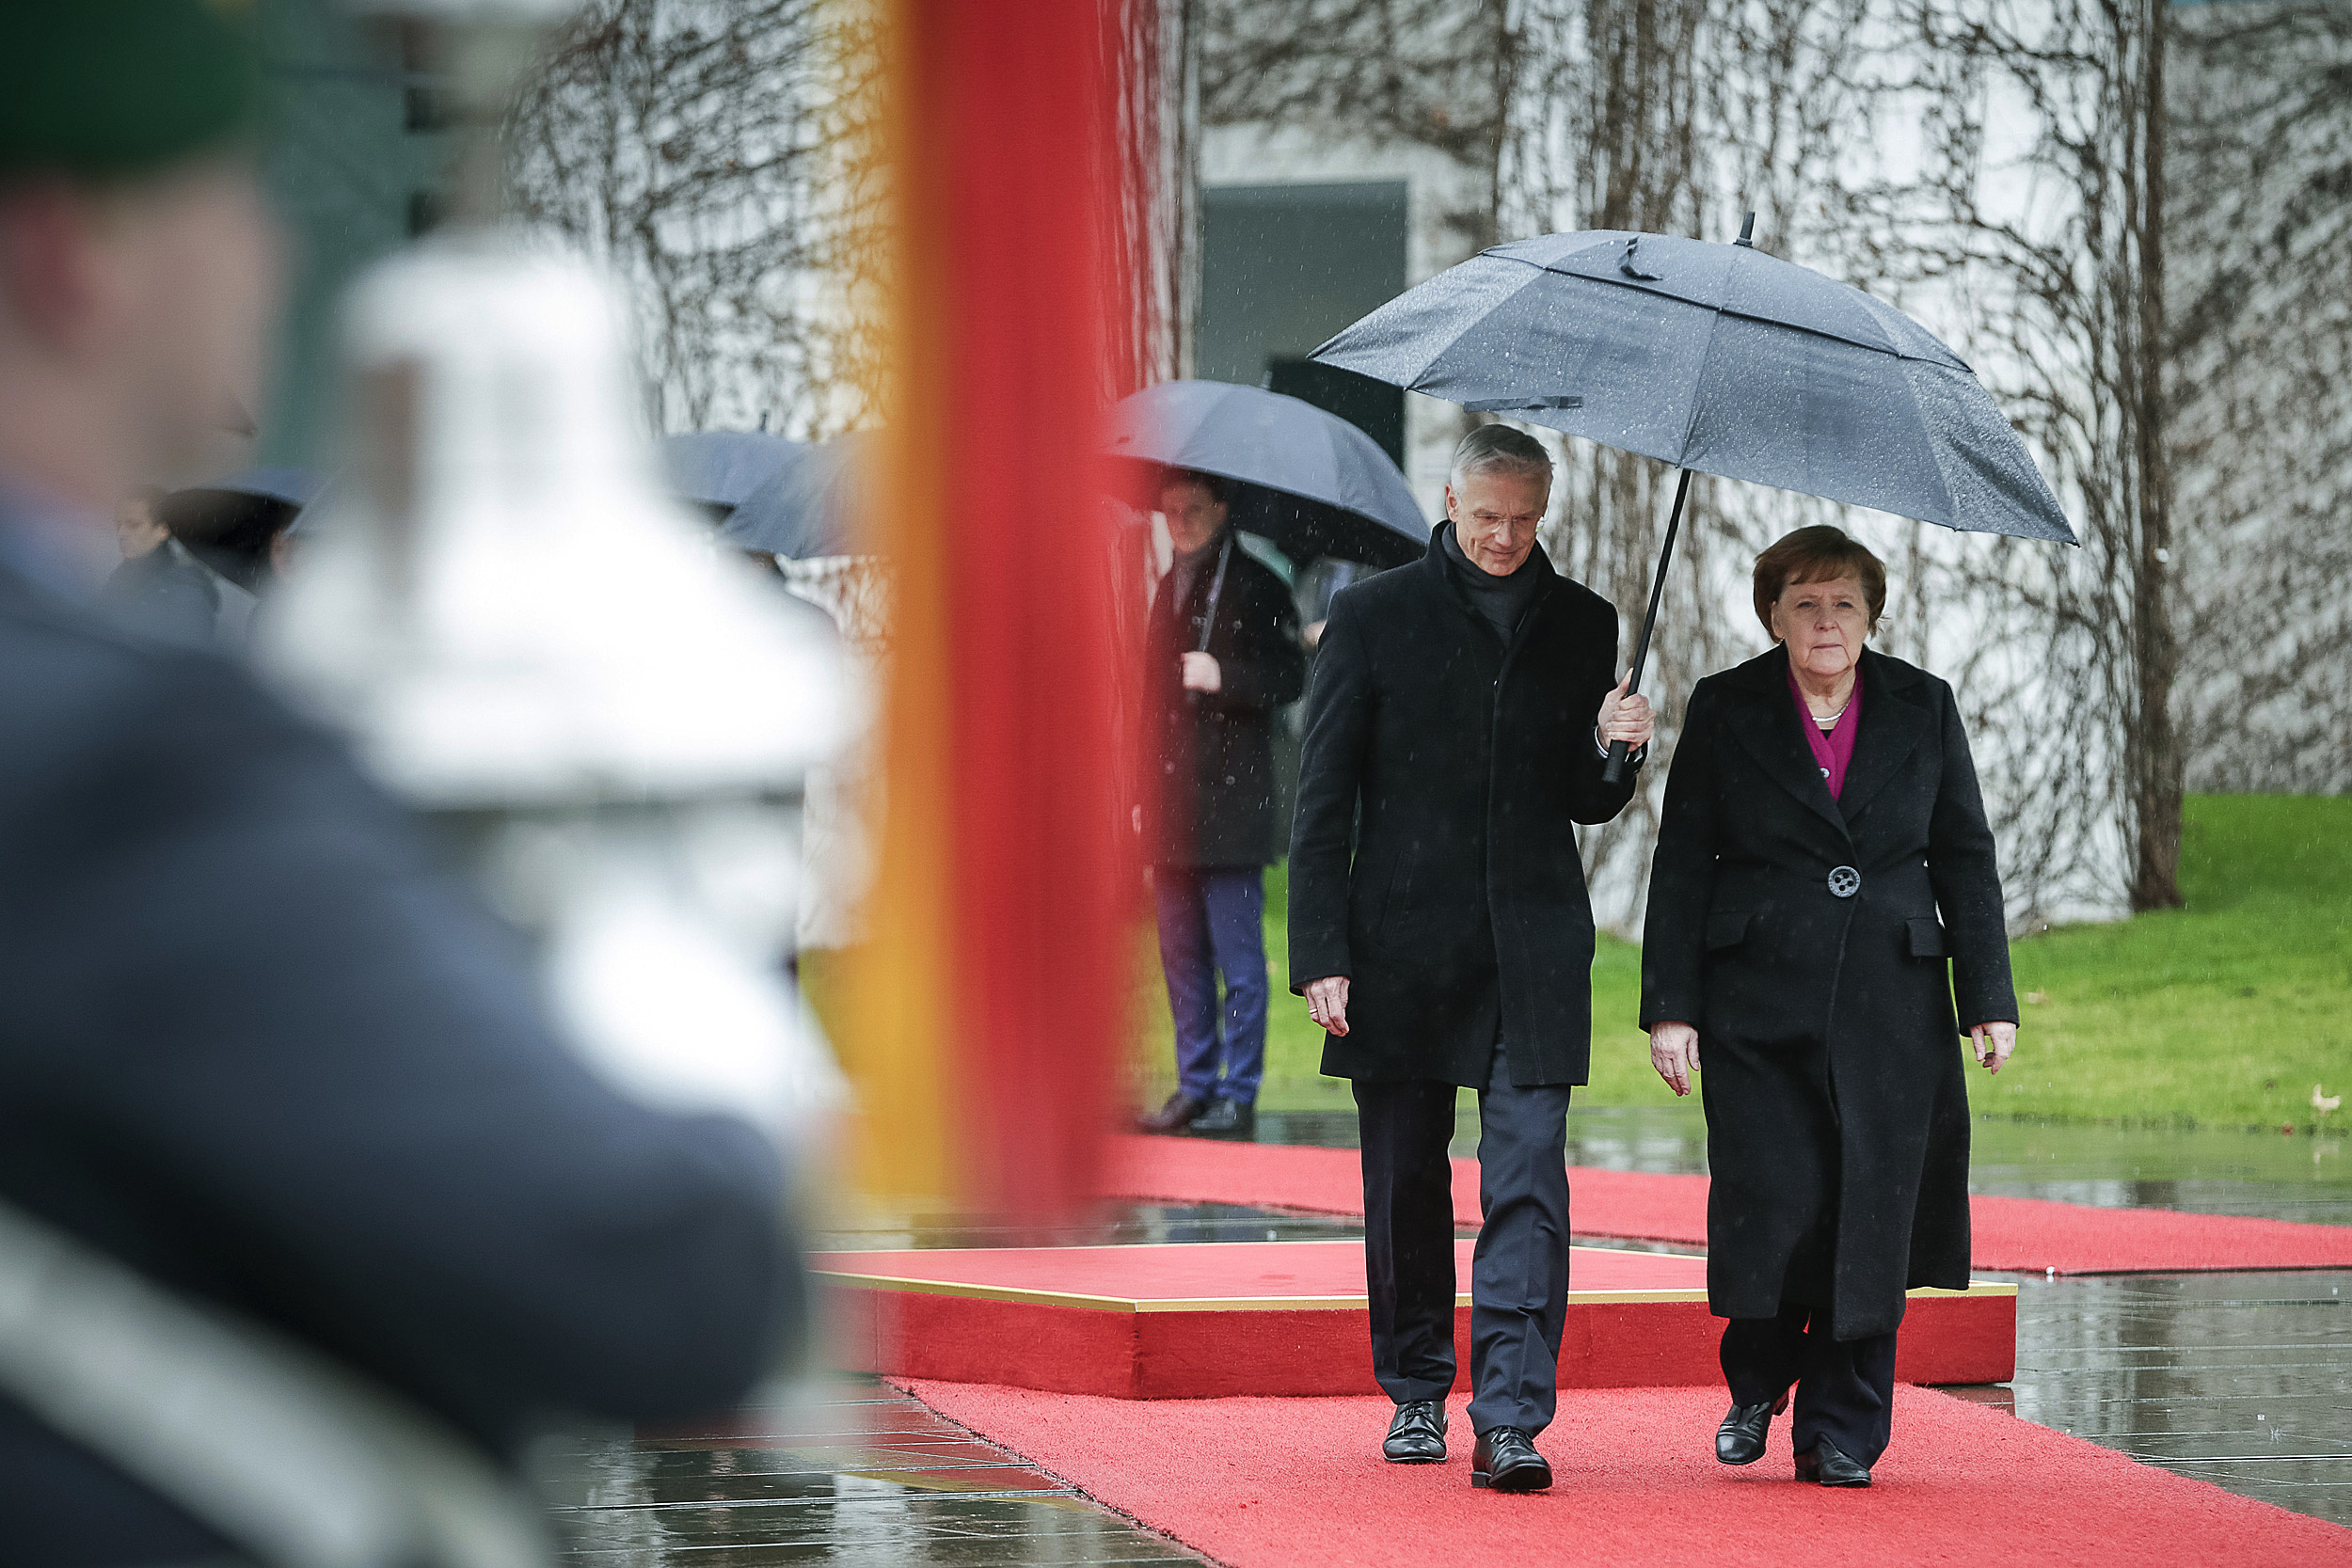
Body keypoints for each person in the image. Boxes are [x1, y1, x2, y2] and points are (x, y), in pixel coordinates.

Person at [0, 8, 794, 1560]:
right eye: (233, 189)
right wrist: (647, 928)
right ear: (75, 244)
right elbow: (670, 1281)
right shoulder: (129, 759)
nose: (273, 251)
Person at [1290, 424, 1653, 1492]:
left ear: (1545, 510)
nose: (1503, 537)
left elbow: (1582, 798)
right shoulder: (1370, 615)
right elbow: (1322, 803)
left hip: (1532, 941)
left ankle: (1510, 1414)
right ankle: (1414, 1388)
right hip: (1397, 945)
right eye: (1486, 514)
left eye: (1524, 519)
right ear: (1447, 497)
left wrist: (1616, 748)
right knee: (1405, 1181)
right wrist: (1322, 949)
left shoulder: (1584, 621)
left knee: (1529, 1178)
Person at [1639, 525, 2019, 1489]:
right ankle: (1760, 1371)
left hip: (1893, 1000)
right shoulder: (1727, 707)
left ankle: (1843, 1428)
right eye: (1804, 602)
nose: (1824, 620)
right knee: (1779, 1204)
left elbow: (1964, 855)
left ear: (1871, 614)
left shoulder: (1923, 706)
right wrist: (1669, 1007)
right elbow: (1683, 861)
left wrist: (1987, 996)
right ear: (1772, 613)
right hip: (1756, 998)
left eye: (1843, 602)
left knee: (1873, 1210)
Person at [1136, 468, 1306, 1138]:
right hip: (1171, 806)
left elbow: (1291, 676)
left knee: (1238, 958)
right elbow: (1148, 704)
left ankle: (1238, 1090)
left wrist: (1224, 676)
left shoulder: (1261, 585)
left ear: (1222, 508)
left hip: (1233, 808)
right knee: (1179, 953)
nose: (1181, 520)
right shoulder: (1163, 590)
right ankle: (1195, 1084)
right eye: (1171, 510)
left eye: (1195, 509)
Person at [100, 484, 219, 643]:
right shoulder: (121, 578)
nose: (121, 534)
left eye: (133, 525)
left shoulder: (186, 593)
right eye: (118, 524)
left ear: (163, 530)